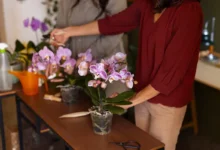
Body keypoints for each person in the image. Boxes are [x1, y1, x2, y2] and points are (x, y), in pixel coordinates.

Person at [50, 0, 203, 149]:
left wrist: (128, 101)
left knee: (158, 147)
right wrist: (68, 32)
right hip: (143, 93)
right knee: (141, 145)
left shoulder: (189, 10)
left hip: (168, 101)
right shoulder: (149, 4)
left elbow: (170, 74)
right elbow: (112, 24)